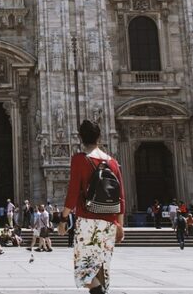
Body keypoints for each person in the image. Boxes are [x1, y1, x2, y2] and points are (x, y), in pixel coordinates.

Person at [63, 120, 125, 294]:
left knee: (84, 269)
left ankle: (100, 292)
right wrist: (120, 225)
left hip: (88, 221)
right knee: (101, 268)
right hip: (110, 222)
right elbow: (121, 197)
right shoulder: (113, 162)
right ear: (100, 137)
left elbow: (73, 193)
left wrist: (62, 219)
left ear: (80, 138)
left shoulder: (80, 159)